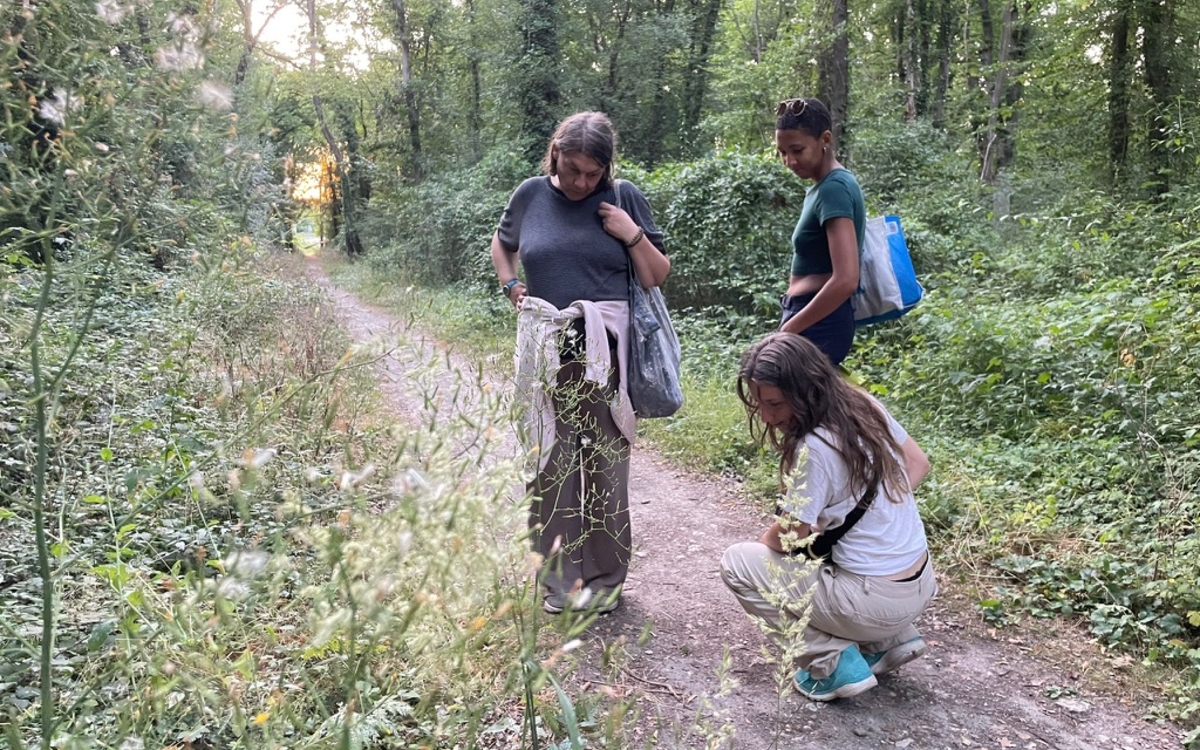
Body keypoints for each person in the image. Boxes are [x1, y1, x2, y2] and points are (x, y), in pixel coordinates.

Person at [490, 111, 670, 615]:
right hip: (546, 354)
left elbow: (656, 275)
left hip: (606, 359)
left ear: (606, 168)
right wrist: (510, 283)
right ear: (556, 156)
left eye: (593, 173)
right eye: (572, 170)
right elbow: (502, 244)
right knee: (550, 468)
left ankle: (606, 581)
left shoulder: (624, 197)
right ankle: (560, 583)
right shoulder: (530, 195)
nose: (581, 183)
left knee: (606, 471)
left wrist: (630, 233)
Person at [720, 333, 936, 701]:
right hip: (919, 584)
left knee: (739, 563)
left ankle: (830, 663)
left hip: (874, 602)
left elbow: (788, 538)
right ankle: (887, 642)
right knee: (837, 547)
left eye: (775, 404)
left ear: (805, 391)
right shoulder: (863, 405)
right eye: (759, 405)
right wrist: (876, 514)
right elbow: (918, 464)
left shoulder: (815, 447)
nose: (768, 417)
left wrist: (768, 545)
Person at [774, 97, 866, 367]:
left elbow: (846, 278)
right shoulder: (823, 187)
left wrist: (789, 329)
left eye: (797, 150)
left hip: (818, 322)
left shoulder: (833, 188)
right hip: (810, 318)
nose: (789, 161)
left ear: (825, 139)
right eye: (782, 152)